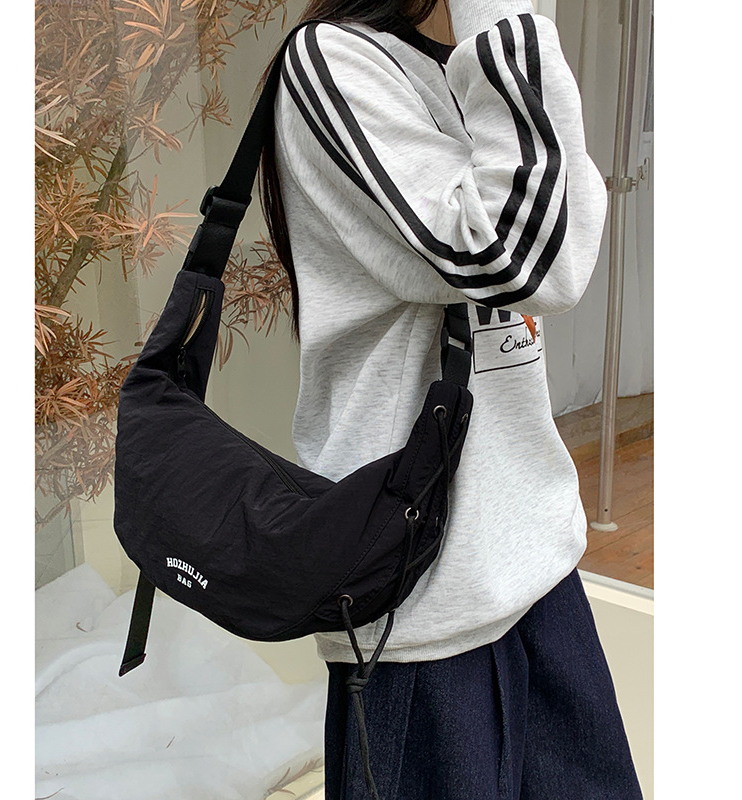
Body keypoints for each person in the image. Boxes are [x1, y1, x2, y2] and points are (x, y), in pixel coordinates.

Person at [257, 1, 645, 797]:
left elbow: (563, 246)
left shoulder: (473, 62)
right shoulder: (333, 62)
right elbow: (516, 257)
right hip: (421, 609)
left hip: (539, 574)